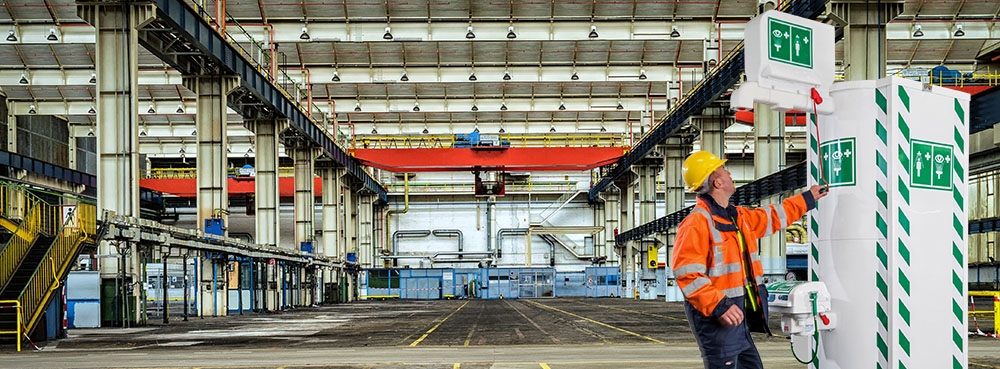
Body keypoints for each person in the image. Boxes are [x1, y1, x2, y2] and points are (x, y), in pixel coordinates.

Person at [671, 151, 828, 369]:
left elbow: (773, 216)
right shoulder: (696, 223)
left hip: (738, 317)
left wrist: (808, 198)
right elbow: (687, 274)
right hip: (719, 319)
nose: (729, 173)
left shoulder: (737, 217)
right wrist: (719, 305)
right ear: (717, 182)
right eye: (724, 170)